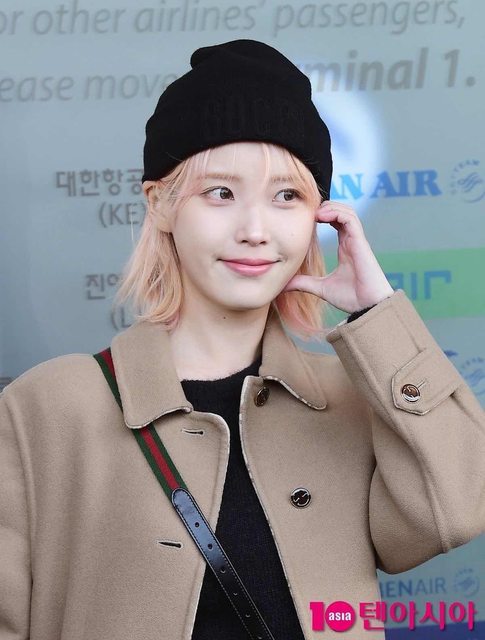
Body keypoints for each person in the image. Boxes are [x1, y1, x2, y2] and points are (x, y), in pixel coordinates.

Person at [1, 39, 484, 640]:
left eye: (287, 196)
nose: (255, 230)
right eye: (221, 193)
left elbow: (456, 510)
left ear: (318, 215)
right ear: (160, 204)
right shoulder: (45, 406)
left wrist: (380, 315)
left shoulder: (351, 397)